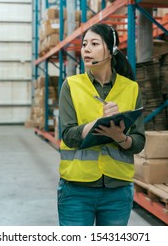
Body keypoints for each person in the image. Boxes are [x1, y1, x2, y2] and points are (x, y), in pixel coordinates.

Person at [58, 23, 145, 226]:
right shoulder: (71, 85)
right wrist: (97, 124)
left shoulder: (131, 88)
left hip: (118, 190)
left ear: (111, 50)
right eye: (84, 44)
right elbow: (69, 136)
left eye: (94, 43)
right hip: (77, 189)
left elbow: (139, 142)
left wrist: (120, 138)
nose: (86, 49)